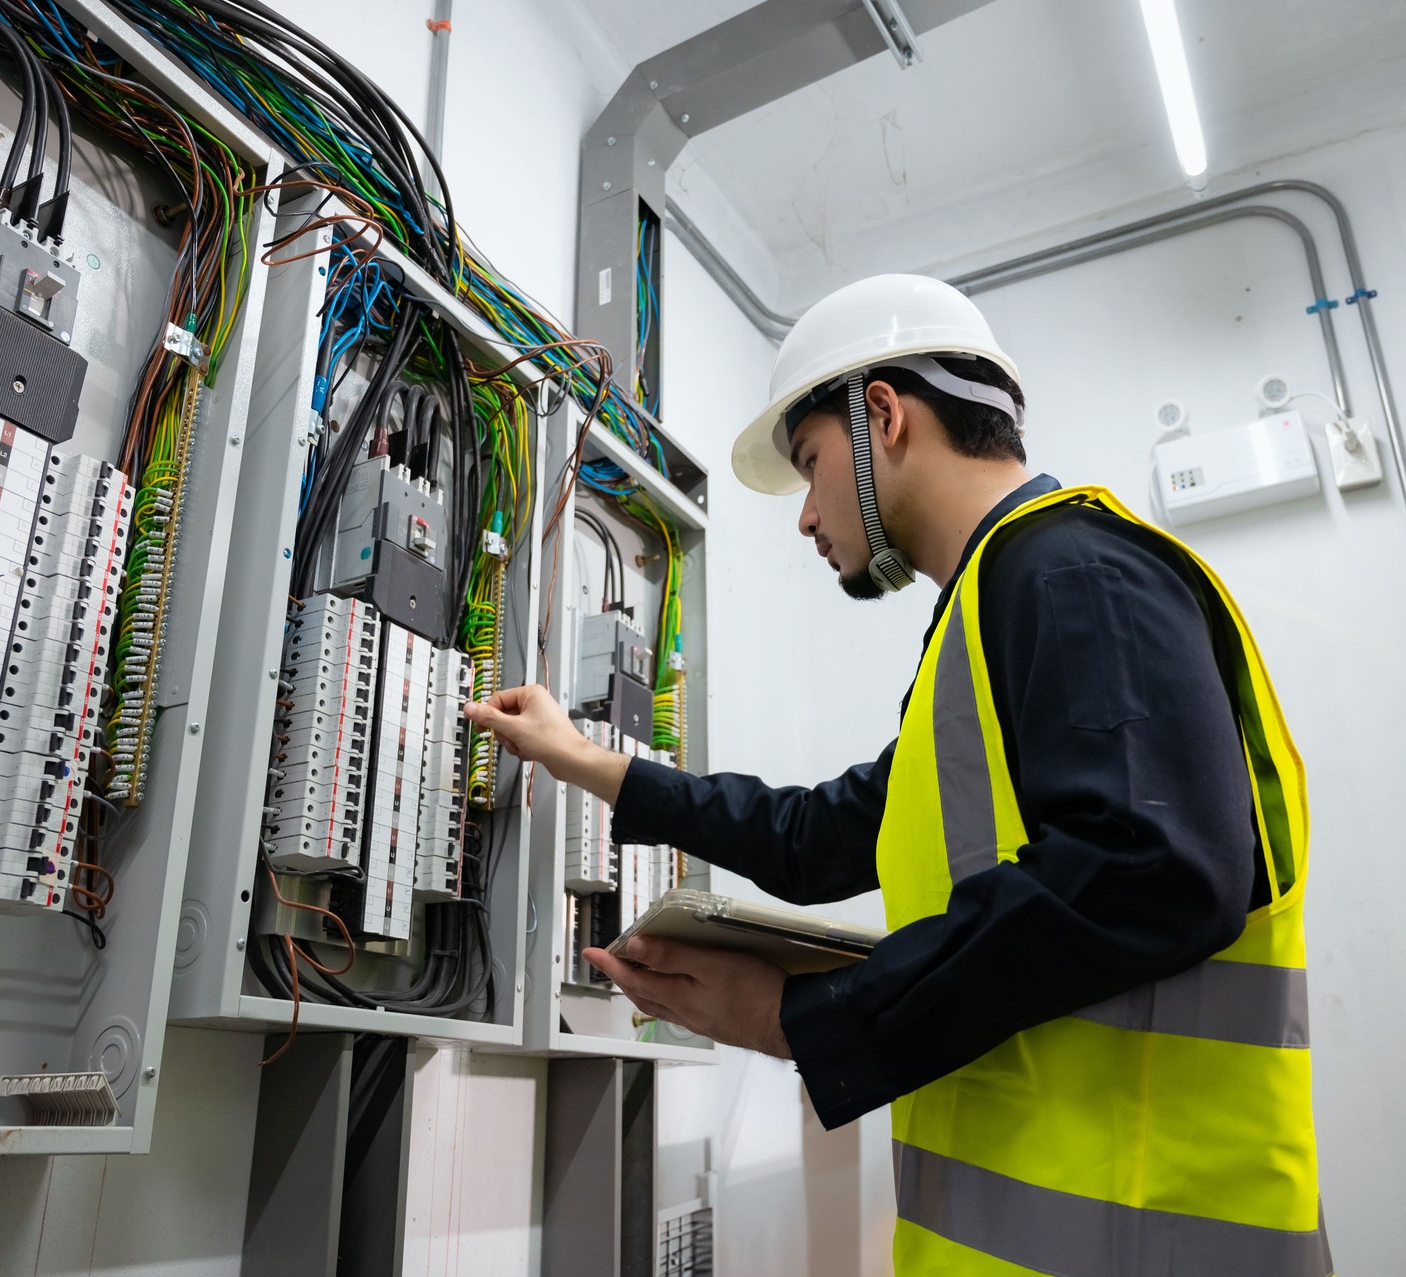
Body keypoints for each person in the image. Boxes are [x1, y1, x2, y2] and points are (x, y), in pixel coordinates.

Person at [465, 274, 1329, 1276]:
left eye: (811, 462)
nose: (805, 516)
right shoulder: (988, 616)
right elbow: (821, 835)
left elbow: (1152, 865)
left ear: (884, 414)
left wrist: (803, 1020)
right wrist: (588, 760)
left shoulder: (1076, 572)